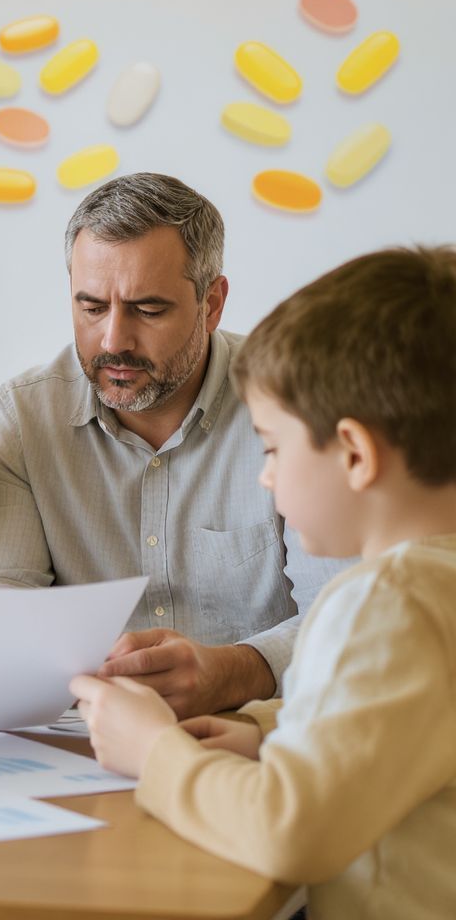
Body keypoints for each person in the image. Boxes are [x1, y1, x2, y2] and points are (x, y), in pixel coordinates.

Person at [71, 245, 456, 919]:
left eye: (273, 448)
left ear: (356, 455)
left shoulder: (386, 602)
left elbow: (292, 833)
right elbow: (402, 723)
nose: (266, 476)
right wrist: (265, 732)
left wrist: (154, 751)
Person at [0, 173, 339, 717]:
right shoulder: (23, 419)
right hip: (81, 736)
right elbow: (4, 594)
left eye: (148, 310)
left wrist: (237, 670)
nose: (114, 341)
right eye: (92, 307)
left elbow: (344, 614)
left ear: (212, 304)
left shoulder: (302, 406)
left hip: (259, 734)